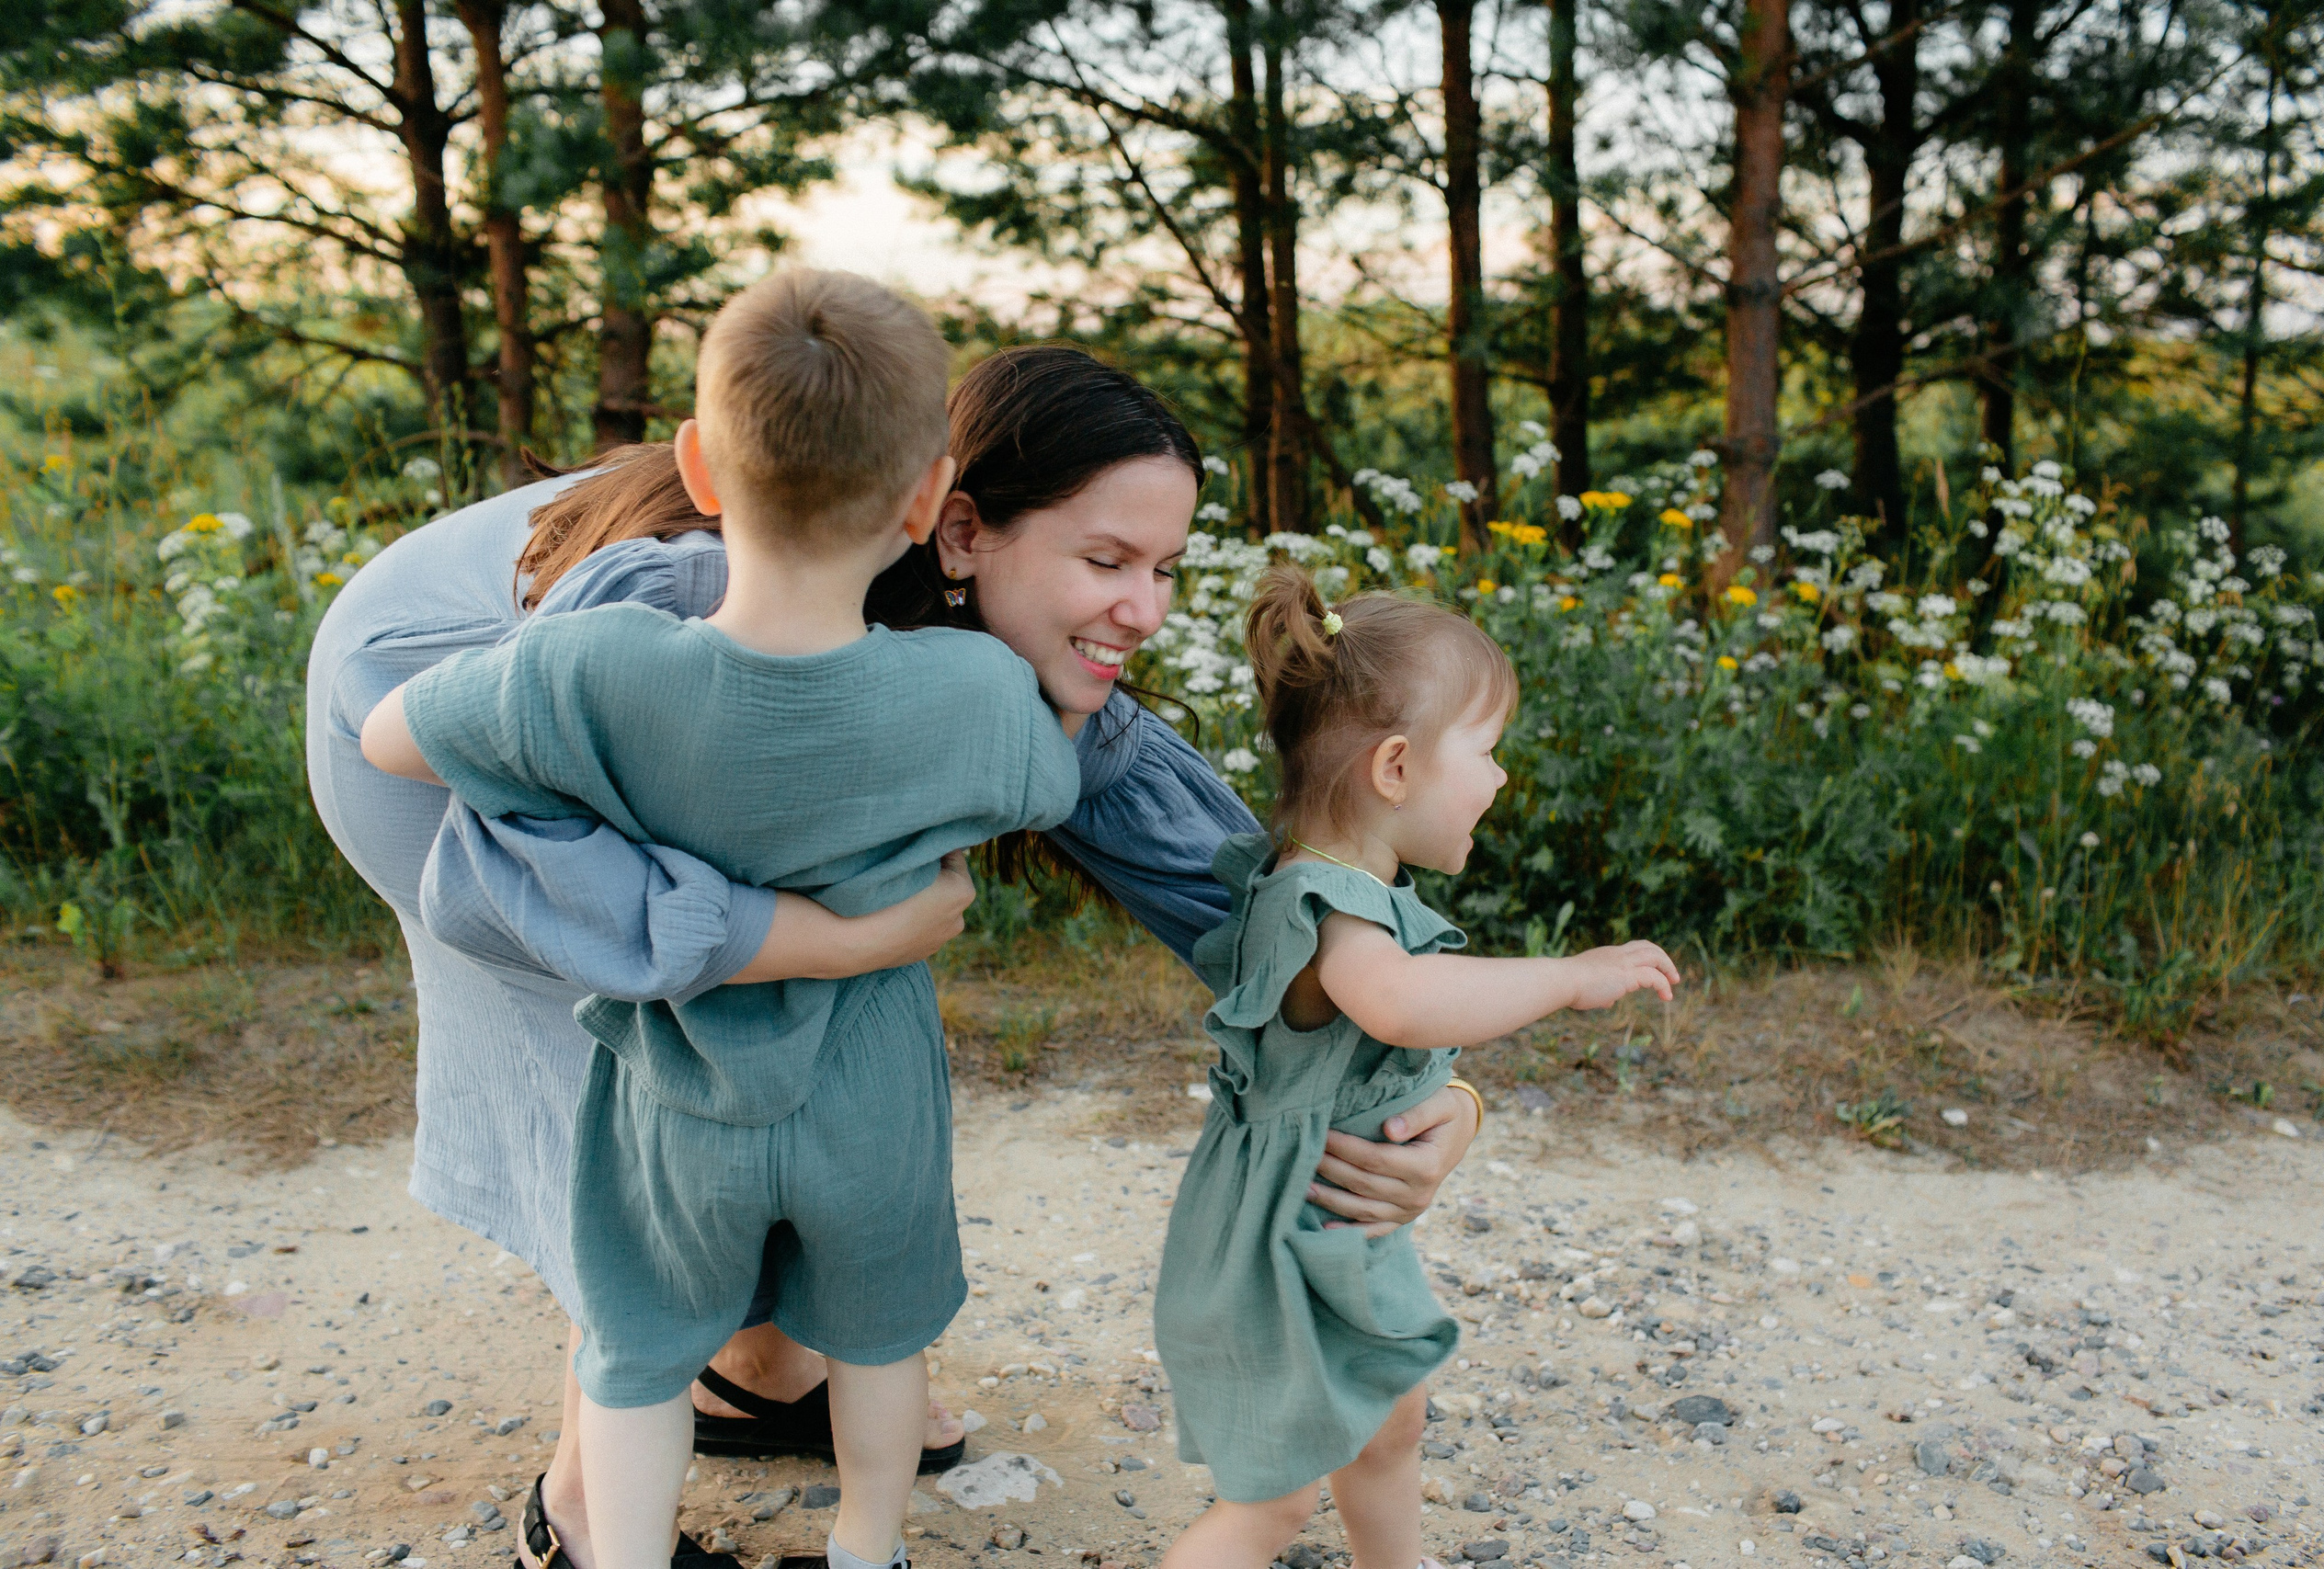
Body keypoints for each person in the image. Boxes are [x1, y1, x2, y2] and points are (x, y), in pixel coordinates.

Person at [303, 341, 1485, 1569]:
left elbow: (1273, 914)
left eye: (1166, 566)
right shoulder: (714, 597)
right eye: (1104, 560)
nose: (1147, 608)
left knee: (795, 1032)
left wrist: (1439, 1087)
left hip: (529, 702)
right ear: (959, 528)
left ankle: (758, 1370)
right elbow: (557, 858)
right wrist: (824, 936)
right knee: (657, 1075)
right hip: (420, 702)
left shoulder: (1044, 700)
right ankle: (587, 1510)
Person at [365, 270, 1077, 1569]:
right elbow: (1050, 781)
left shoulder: (602, 665)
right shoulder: (973, 687)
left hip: (675, 1086)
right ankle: (869, 1546)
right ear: (927, 498)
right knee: (876, 1327)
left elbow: (390, 734)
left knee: (635, 1343)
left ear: (697, 465)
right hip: (873, 1090)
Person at [1152, 565, 1680, 1569]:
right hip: (1281, 1243)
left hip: (1328, 1224)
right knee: (1276, 1495)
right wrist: (1567, 977)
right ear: (1395, 768)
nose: (1500, 779)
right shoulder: (1333, 905)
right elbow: (1402, 1002)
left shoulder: (1328, 880)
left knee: (1392, 1419)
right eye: (1485, 753)